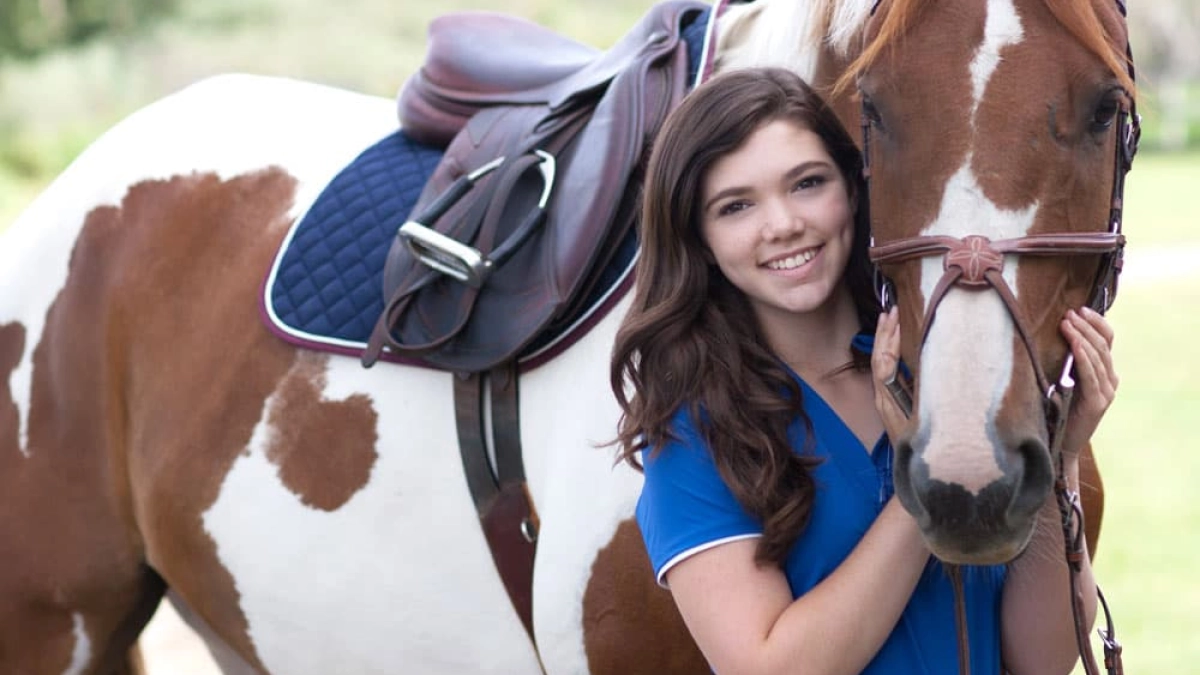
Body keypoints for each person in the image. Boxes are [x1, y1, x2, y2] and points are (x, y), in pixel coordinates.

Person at [609, 67, 1117, 675]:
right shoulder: (694, 436)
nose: (783, 224)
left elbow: (1041, 660)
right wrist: (919, 485)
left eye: (807, 183)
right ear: (699, 237)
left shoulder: (945, 380)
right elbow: (771, 668)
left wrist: (1057, 459)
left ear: (854, 190)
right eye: (736, 205)